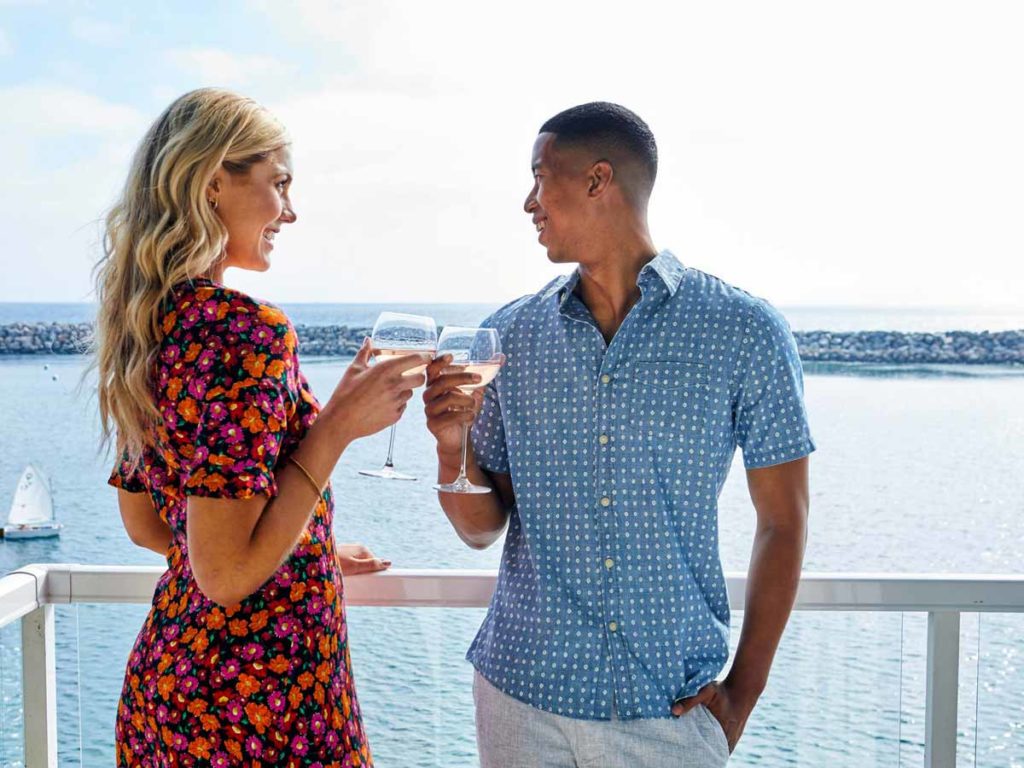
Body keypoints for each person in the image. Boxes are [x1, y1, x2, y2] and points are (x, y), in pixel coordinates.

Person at [424, 102, 814, 767]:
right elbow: (479, 527)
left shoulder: (744, 331)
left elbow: (784, 520)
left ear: (598, 180)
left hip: (669, 714)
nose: (528, 202)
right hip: (520, 700)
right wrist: (449, 443)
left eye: (540, 177)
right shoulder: (510, 335)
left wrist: (742, 697)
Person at [93, 88, 428, 766]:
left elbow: (152, 527)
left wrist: (300, 552)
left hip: (174, 697)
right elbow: (222, 573)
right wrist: (334, 429)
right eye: (279, 183)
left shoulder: (148, 324)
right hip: (258, 710)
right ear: (214, 180)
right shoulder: (242, 332)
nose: (291, 211)